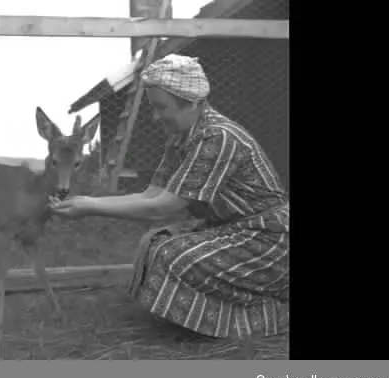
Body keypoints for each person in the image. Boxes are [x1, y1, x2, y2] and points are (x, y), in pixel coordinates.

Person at [49, 54, 289, 340]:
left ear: (193, 103)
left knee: (173, 256)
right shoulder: (181, 137)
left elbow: (162, 208)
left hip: (268, 238)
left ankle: (271, 310)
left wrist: (91, 207)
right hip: (232, 228)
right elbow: (151, 194)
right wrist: (86, 201)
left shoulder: (218, 137)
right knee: (154, 242)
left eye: (161, 107)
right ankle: (202, 321)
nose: (155, 116)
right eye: (153, 107)